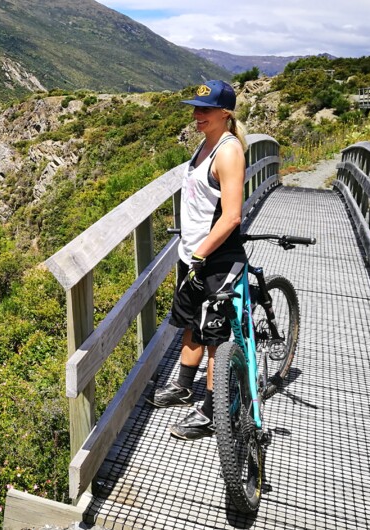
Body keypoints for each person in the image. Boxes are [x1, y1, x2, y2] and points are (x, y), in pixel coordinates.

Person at [146, 80, 249, 441]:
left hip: (215, 257)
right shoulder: (204, 145)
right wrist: (192, 255)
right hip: (194, 255)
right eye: (195, 108)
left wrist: (202, 255)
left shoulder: (228, 151)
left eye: (205, 109)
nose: (197, 115)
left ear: (226, 113)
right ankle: (184, 387)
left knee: (215, 337)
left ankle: (210, 409)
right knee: (191, 322)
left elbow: (232, 215)